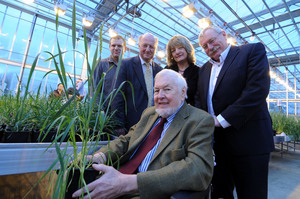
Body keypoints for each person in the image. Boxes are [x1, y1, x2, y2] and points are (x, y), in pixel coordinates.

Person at [72, 69, 214, 199]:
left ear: (183, 92)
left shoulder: (199, 120)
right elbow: (126, 141)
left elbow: (198, 169)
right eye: (156, 90)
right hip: (118, 176)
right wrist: (99, 157)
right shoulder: (150, 113)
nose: (160, 96)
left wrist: (129, 183)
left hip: (147, 191)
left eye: (167, 89)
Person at [195, 25, 275, 199]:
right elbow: (199, 99)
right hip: (217, 147)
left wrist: (220, 120)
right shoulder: (204, 70)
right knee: (220, 194)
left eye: (211, 41)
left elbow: (256, 91)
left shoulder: (251, 51)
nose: (209, 47)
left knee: (252, 194)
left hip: (250, 144)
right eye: (205, 46)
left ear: (224, 34)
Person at [112, 33, 163, 135]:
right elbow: (117, 95)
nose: (148, 49)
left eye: (151, 47)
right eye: (145, 45)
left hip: (152, 125)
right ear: (139, 46)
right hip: (129, 126)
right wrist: (118, 124)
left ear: (155, 49)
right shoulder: (125, 65)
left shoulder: (159, 70)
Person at [165, 35, 199, 106]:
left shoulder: (198, 71)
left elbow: (199, 96)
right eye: (173, 51)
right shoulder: (167, 71)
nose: (177, 52)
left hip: (191, 112)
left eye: (180, 48)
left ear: (187, 49)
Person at [93, 35, 127, 107]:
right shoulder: (101, 64)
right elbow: (95, 90)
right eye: (113, 45)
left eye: (119, 46)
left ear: (125, 49)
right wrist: (99, 111)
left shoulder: (128, 66)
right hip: (105, 113)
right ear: (109, 47)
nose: (116, 48)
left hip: (123, 114)